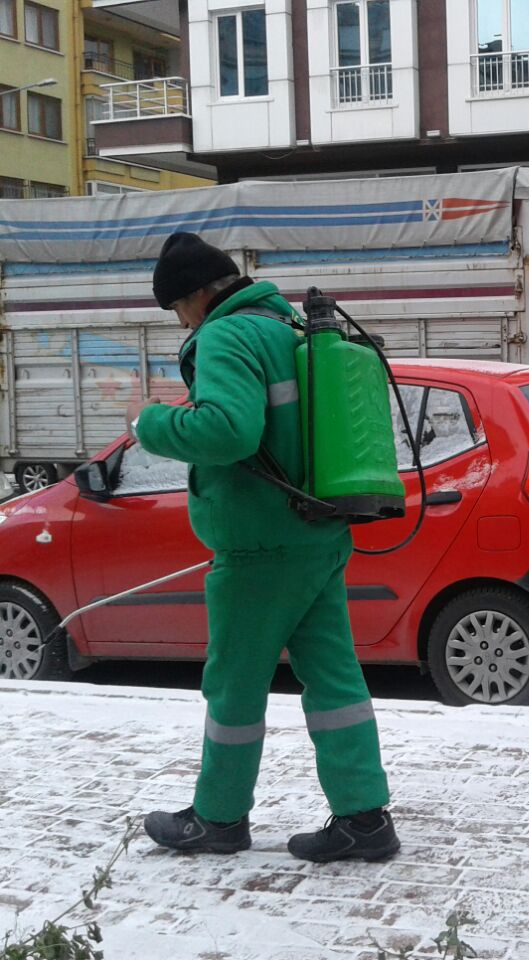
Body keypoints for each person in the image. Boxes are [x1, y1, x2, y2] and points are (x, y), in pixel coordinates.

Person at [130, 232, 399, 860]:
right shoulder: (293, 331)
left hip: (259, 547)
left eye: (177, 307)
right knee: (335, 680)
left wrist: (152, 423)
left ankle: (218, 819)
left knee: (233, 687)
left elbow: (228, 430)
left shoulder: (227, 336)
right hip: (318, 531)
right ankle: (365, 819)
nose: (180, 320)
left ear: (197, 293)